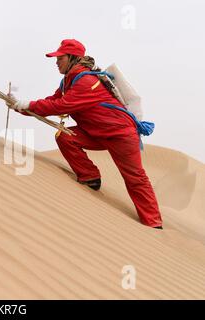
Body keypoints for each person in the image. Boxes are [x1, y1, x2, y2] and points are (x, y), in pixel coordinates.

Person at [9, 39, 163, 229]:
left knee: (135, 178)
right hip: (95, 133)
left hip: (120, 135)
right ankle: (90, 177)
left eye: (60, 58)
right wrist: (20, 106)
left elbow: (60, 106)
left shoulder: (86, 81)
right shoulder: (68, 81)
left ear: (73, 58)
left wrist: (28, 105)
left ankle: (153, 223)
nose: (56, 62)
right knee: (64, 136)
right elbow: (53, 100)